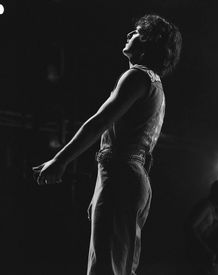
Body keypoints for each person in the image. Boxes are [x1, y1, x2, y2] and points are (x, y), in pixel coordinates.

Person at [33, 14, 182, 275]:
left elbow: (98, 123)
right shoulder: (156, 85)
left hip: (121, 176)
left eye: (135, 32)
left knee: (107, 268)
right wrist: (102, 188)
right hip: (131, 177)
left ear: (148, 42)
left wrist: (61, 160)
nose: (128, 35)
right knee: (118, 267)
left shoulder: (136, 76)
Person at [184, 179, 218, 275]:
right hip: (200, 254)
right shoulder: (206, 206)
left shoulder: (214, 210)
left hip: (208, 253)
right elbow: (190, 227)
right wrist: (206, 250)